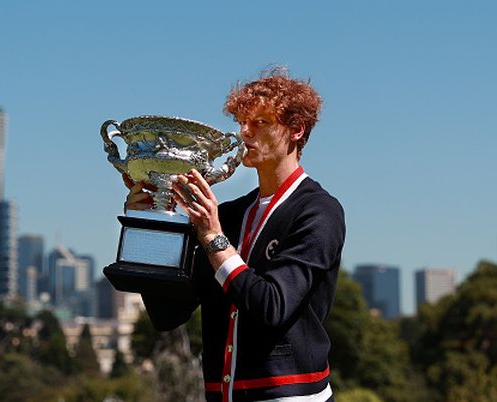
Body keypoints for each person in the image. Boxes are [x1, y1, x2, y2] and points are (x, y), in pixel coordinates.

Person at [125, 69, 346, 402]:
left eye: (260, 123)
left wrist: (214, 238)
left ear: (296, 130)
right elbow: (167, 314)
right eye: (242, 122)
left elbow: (273, 307)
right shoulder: (229, 214)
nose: (244, 132)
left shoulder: (319, 212)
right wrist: (152, 220)